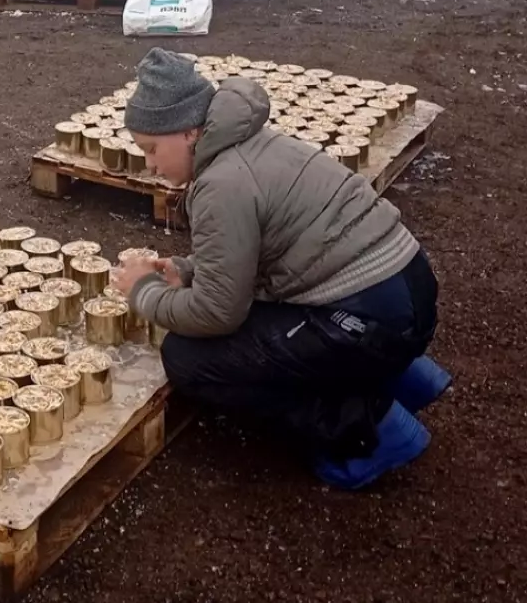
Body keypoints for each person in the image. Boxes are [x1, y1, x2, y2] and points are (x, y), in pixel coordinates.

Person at [110, 48, 451, 489]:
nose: (150, 164)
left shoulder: (221, 184)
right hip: (407, 292)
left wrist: (144, 293)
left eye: (152, 149)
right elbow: (269, 247)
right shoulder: (256, 144)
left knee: (188, 358)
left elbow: (217, 315)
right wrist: (189, 272)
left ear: (191, 131)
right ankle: (407, 379)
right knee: (263, 323)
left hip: (369, 322)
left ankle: (373, 429)